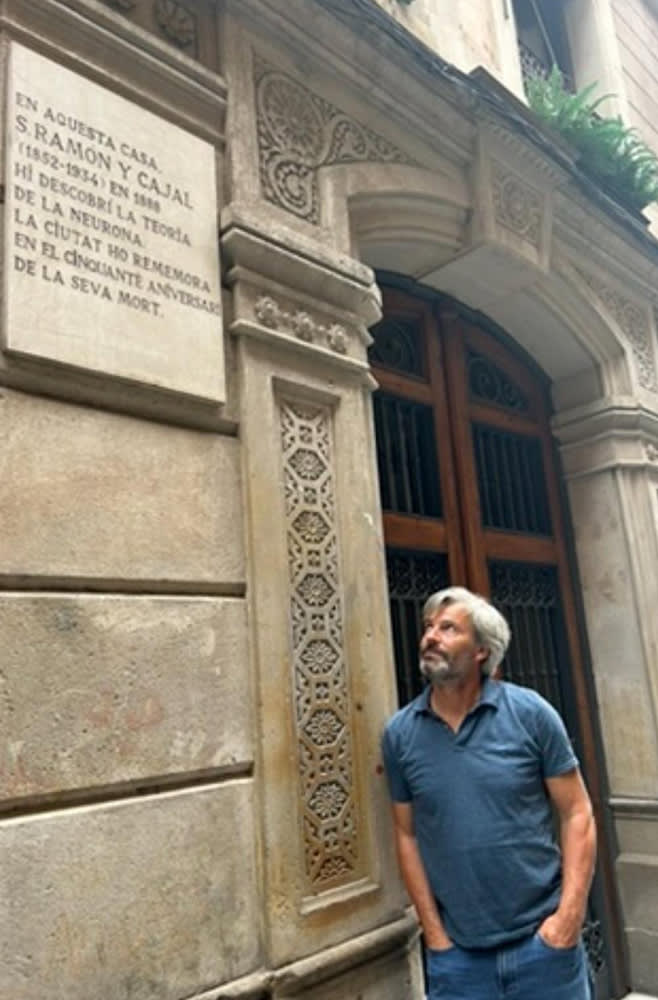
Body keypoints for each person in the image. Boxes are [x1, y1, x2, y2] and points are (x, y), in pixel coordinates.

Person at [381, 586, 596, 1000]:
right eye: (428, 627)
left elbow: (577, 813)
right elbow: (406, 834)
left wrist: (568, 917)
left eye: (448, 628)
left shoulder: (531, 714)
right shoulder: (400, 735)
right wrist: (435, 936)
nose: (430, 636)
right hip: (458, 962)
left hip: (543, 949)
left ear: (481, 650)